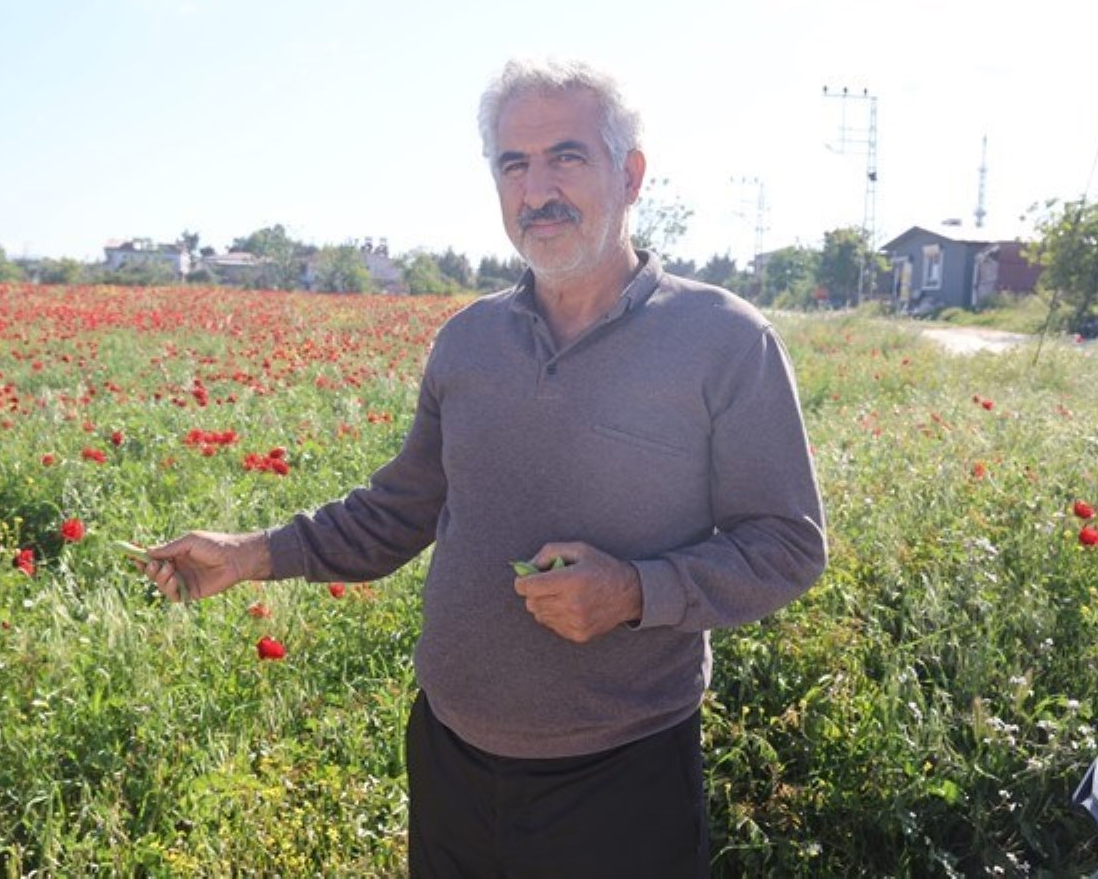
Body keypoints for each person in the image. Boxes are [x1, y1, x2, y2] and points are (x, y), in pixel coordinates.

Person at [142, 57, 827, 877]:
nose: (537, 189)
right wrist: (248, 554)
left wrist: (634, 592)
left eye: (566, 156)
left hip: (620, 777)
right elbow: (399, 511)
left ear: (632, 173)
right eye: (514, 164)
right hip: (451, 756)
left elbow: (788, 545)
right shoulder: (468, 342)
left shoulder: (723, 340)